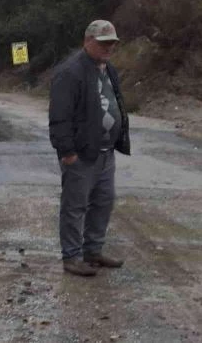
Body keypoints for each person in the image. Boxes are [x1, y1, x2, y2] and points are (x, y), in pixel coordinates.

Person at [49, 20, 131, 277]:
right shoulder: (70, 72)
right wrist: (67, 152)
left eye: (112, 44)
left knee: (103, 202)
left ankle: (93, 251)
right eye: (103, 43)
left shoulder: (109, 69)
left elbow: (115, 102)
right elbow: (59, 116)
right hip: (81, 155)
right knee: (75, 206)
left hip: (106, 152)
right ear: (87, 41)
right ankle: (71, 257)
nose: (109, 48)